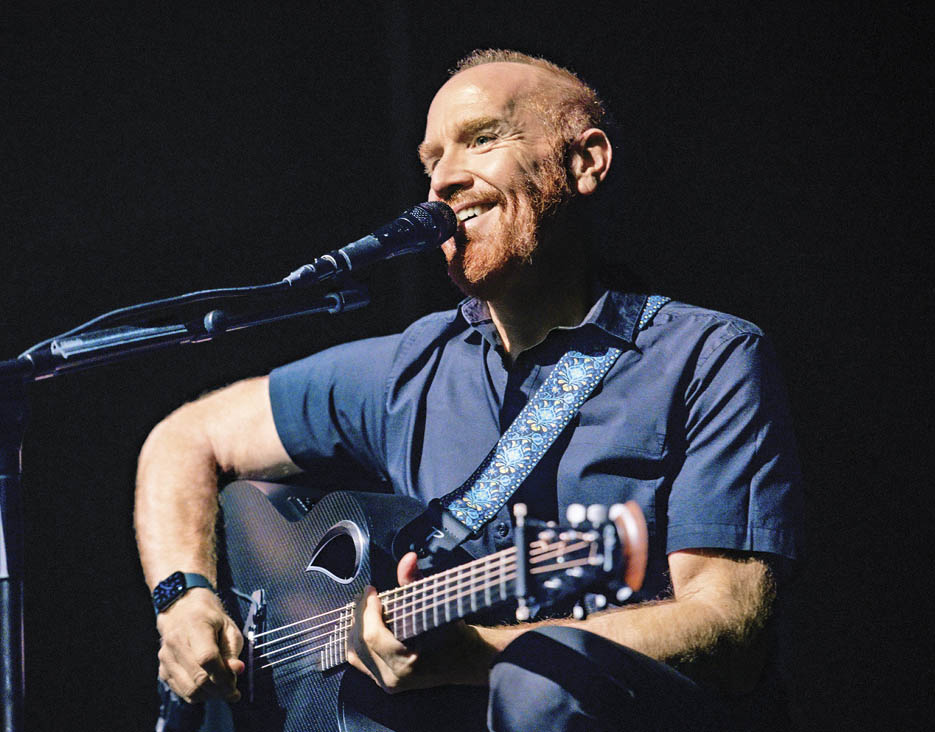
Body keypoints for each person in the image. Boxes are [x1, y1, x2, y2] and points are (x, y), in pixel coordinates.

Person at [135, 49, 804, 731]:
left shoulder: (705, 355)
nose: (444, 180)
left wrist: (481, 655)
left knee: (537, 690)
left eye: (481, 138)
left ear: (585, 162)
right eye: (431, 161)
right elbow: (184, 437)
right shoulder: (410, 366)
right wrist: (184, 598)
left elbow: (728, 628)